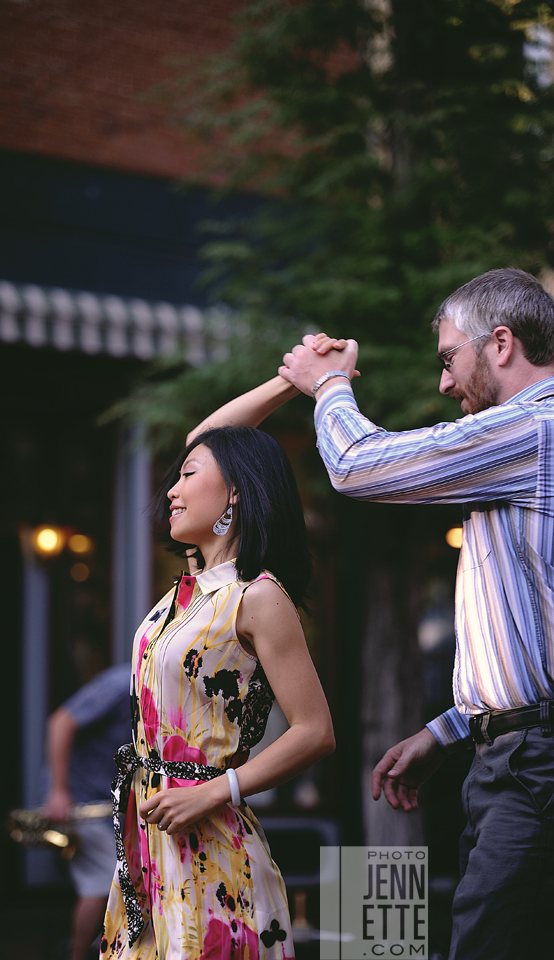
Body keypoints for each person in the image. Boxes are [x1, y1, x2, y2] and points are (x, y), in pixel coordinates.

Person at [266, 267, 554, 960]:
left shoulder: (533, 430)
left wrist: (327, 382)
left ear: (501, 343)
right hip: (510, 754)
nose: (443, 383)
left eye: (448, 359)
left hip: (532, 764)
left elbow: (357, 465)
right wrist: (451, 727)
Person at [100, 425, 335, 959]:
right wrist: (287, 378)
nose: (171, 491)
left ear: (234, 492)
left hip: (210, 843)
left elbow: (316, 732)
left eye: (187, 475)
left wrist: (211, 792)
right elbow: (207, 436)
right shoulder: (189, 590)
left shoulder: (257, 596)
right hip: (150, 843)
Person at [44, 664, 132, 960]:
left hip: (113, 810)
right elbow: (60, 722)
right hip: (82, 805)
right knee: (108, 879)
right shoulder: (121, 684)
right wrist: (58, 791)